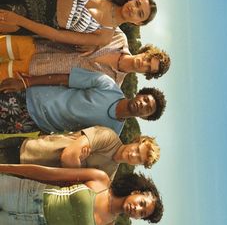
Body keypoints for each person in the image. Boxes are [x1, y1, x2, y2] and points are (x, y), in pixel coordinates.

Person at [0, 165, 164, 225]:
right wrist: (6, 167)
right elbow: (52, 174)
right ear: (136, 192)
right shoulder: (100, 180)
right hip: (27, 194)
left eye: (141, 214)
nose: (136, 209)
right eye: (141, 203)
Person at [0, 67, 166, 135]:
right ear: (139, 94)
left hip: (33, 124)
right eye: (145, 99)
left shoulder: (112, 133)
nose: (143, 105)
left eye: (148, 109)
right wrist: (26, 83)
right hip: (30, 97)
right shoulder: (107, 84)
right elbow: (66, 79)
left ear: (144, 117)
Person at [0, 0, 157, 46]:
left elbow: (57, 35)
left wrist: (19, 20)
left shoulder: (105, 36)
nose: (133, 9)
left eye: (139, 13)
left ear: (138, 22)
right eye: (137, 3)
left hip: (31, 18)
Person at [0, 32, 170, 86]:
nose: (144, 64)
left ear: (146, 75)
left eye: (149, 69)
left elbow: (70, 85)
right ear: (145, 52)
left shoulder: (112, 84)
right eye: (148, 59)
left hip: (35, 71)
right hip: (38, 44)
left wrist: (29, 83)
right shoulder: (118, 36)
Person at [0, 126, 160, 179]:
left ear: (138, 164)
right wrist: (79, 170)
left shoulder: (108, 174)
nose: (133, 155)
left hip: (29, 178)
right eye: (137, 150)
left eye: (139, 158)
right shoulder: (108, 137)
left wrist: (78, 164)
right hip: (26, 152)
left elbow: (72, 185)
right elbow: (69, 156)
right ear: (135, 141)